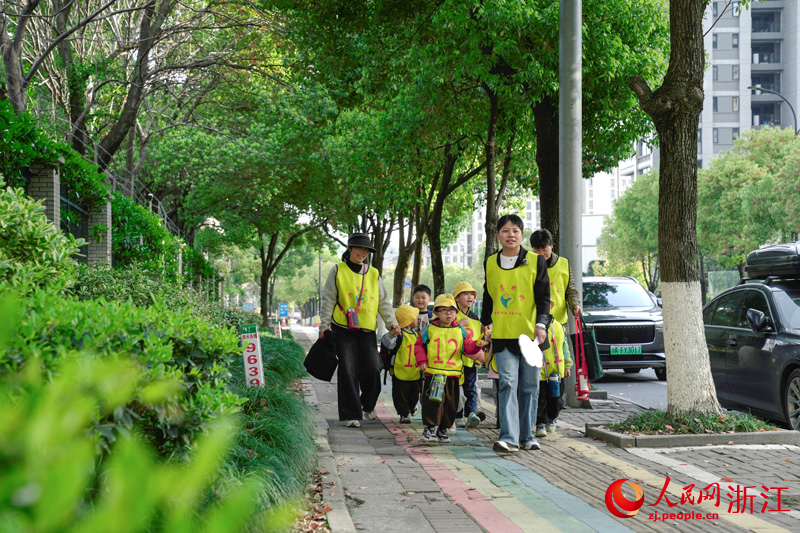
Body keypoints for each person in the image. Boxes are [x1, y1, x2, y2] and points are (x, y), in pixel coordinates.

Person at [481, 214, 550, 453]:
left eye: (515, 231)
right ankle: (509, 437)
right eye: (505, 230)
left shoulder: (536, 261)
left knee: (529, 386)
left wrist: (542, 324)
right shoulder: (490, 262)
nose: (510, 235)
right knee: (507, 383)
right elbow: (488, 294)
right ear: (498, 234)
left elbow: (543, 297)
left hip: (531, 334)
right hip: (502, 334)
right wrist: (485, 322)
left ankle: (527, 435)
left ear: (522, 235)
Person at [319, 233, 400, 427]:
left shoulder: (373, 273)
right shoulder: (337, 270)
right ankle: (351, 415)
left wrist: (392, 323)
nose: (362, 252)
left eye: (366, 250)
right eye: (359, 248)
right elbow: (329, 298)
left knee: (373, 367)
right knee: (348, 369)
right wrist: (324, 325)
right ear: (350, 248)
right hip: (342, 327)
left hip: (366, 329)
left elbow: (383, 301)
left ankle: (367, 405)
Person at [530, 228, 582, 435]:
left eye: (544, 248)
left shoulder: (564, 264)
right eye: (537, 249)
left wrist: (574, 305)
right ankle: (540, 419)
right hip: (537, 324)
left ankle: (552, 414)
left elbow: (570, 288)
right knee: (539, 375)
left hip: (559, 324)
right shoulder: (529, 265)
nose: (541, 252)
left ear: (552, 246)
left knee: (557, 372)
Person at [414, 294, 485, 444]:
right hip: (434, 373)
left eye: (451, 310)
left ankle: (443, 429)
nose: (448, 313)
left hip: (453, 375)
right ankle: (430, 428)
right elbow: (419, 345)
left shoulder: (460, 330)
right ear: (437, 313)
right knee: (433, 402)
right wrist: (422, 361)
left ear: (456, 313)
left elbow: (468, 346)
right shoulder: (429, 329)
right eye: (444, 310)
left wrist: (477, 345)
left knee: (451, 404)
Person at [536, 300, 572, 437]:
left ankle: (552, 418)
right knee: (540, 399)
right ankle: (540, 423)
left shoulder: (559, 327)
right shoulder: (534, 327)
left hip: (556, 371)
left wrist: (567, 365)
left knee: (556, 398)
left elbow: (564, 347)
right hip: (539, 371)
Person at [381, 305, 421, 423]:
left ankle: (411, 407)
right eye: (414, 317)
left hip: (414, 372)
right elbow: (387, 343)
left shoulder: (415, 334)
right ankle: (404, 413)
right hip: (400, 371)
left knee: (414, 393)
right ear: (408, 320)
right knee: (400, 395)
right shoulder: (399, 335)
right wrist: (392, 334)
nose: (417, 319)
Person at [452, 281, 484, 428]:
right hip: (455, 360)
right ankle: (458, 416)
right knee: (457, 389)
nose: (470, 297)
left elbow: (478, 338)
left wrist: (479, 356)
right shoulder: (452, 315)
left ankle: (471, 414)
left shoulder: (475, 318)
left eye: (472, 294)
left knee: (470, 387)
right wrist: (459, 325)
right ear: (457, 298)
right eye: (465, 294)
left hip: (470, 361)